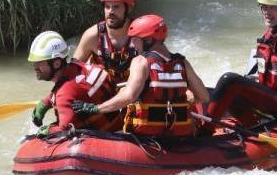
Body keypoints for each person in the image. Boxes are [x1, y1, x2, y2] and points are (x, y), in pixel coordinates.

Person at [73, 14, 210, 138]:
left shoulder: (140, 61)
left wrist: (95, 108)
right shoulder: (183, 62)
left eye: (135, 39)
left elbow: (128, 97)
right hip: (180, 135)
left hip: (147, 136)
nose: (133, 44)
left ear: (149, 39)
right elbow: (204, 96)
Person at [26, 30, 120, 134]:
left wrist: (47, 130)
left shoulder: (65, 93)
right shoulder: (76, 66)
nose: (35, 66)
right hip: (117, 121)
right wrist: (46, 102)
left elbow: (65, 130)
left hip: (110, 135)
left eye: (39, 62)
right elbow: (71, 90)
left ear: (56, 63)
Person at [72, 0, 137, 86]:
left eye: (116, 7)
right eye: (107, 7)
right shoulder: (92, 36)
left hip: (133, 93)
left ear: (129, 8)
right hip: (102, 93)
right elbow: (71, 71)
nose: (111, 11)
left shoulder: (142, 34)